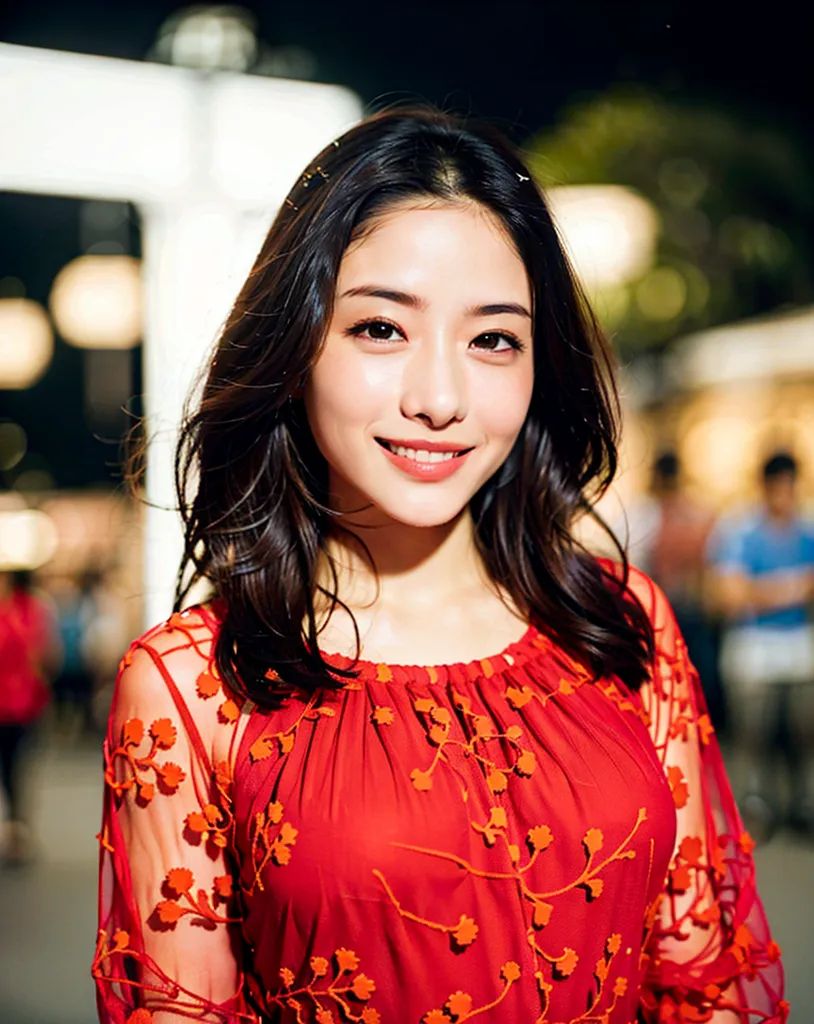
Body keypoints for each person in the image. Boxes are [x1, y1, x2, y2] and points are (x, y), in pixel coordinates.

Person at [93, 109, 786, 1023]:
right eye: (382, 329)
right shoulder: (192, 684)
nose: (440, 398)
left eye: (493, 338)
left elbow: (703, 980)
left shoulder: (620, 623)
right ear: (295, 347)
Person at [709, 452, 814, 838]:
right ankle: (756, 800)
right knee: (755, 730)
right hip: (754, 645)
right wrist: (795, 587)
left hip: (798, 644)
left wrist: (761, 591)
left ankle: (803, 800)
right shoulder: (741, 529)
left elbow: (745, 590)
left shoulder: (807, 528)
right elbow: (729, 595)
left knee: (804, 729)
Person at [0, 570, 57, 864]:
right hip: (23, 702)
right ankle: (17, 828)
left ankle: (17, 828)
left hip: (19, 704)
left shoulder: (23, 613)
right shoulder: (33, 612)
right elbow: (45, 655)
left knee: (15, 769)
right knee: (16, 769)